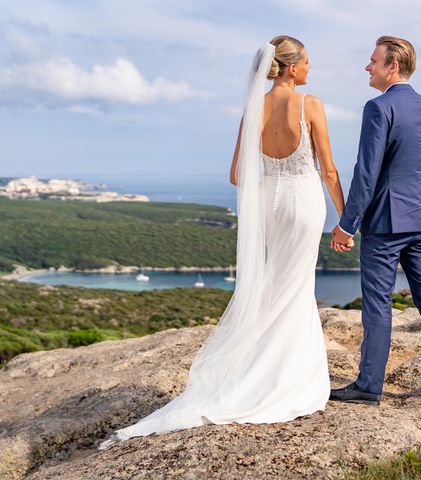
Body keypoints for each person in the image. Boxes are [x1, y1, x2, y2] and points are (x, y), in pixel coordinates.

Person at [99, 35, 348, 449]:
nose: (309, 70)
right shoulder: (310, 104)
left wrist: (270, 179)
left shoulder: (254, 108)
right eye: (306, 63)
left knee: (277, 283)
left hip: (269, 204)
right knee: (296, 286)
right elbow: (330, 172)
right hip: (303, 203)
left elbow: (237, 174)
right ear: (291, 67)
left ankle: (264, 372)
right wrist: (345, 220)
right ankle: (285, 379)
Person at [329, 36, 421, 406]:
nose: (368, 67)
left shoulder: (378, 108)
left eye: (373, 61)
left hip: (383, 224)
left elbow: (365, 174)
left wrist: (346, 225)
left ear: (392, 66)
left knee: (378, 303)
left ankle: (369, 386)